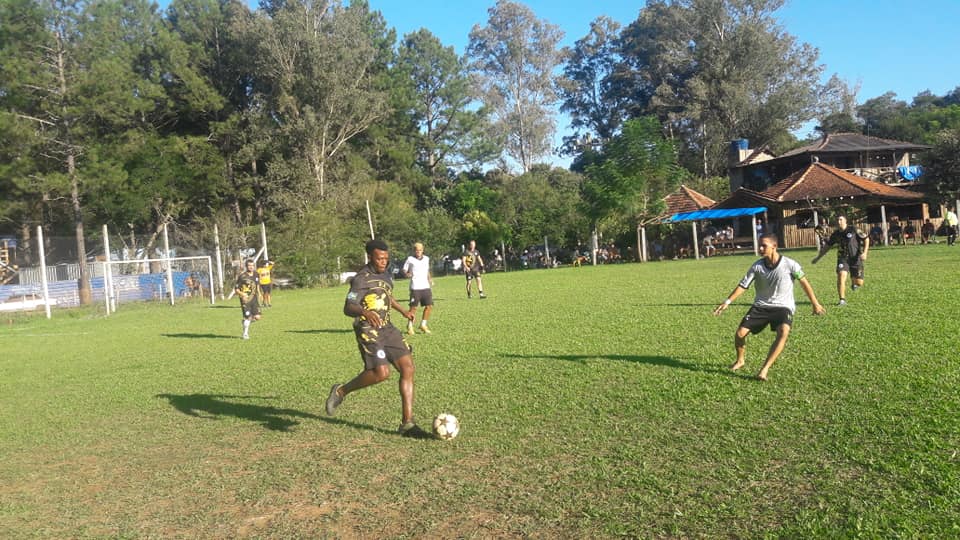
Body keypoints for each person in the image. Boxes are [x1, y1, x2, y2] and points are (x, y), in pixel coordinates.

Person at [326, 239, 427, 437]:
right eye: (380, 259)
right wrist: (365, 312)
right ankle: (341, 392)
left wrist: (403, 311)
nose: (383, 262)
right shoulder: (361, 279)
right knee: (382, 373)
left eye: (386, 259)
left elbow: (387, 296)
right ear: (370, 257)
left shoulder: (387, 276)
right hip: (367, 328)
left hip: (387, 328)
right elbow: (348, 307)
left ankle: (407, 423)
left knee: (408, 367)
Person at [714, 233, 825, 381]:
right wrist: (727, 302)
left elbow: (804, 282)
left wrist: (815, 303)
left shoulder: (791, 264)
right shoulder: (757, 266)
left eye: (764, 245)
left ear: (774, 247)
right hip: (761, 306)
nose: (760, 248)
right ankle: (740, 360)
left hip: (783, 307)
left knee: (784, 331)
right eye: (759, 245)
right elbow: (743, 285)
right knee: (740, 334)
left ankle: (764, 369)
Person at [812, 215, 869, 306]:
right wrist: (818, 258)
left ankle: (854, 282)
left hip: (855, 258)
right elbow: (827, 247)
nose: (839, 221)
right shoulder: (835, 234)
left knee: (859, 283)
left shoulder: (854, 229)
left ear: (846, 221)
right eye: (837, 220)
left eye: (841, 219)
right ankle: (842, 300)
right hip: (843, 258)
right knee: (841, 275)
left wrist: (865, 253)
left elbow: (866, 239)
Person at [402, 242, 434, 335]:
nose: (418, 252)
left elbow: (427, 270)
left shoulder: (426, 259)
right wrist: (407, 274)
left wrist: (430, 279)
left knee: (429, 306)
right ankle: (410, 326)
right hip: (415, 287)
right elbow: (404, 269)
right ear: (414, 251)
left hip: (425, 286)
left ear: (422, 250)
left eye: (420, 250)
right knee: (413, 308)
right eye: (417, 250)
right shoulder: (410, 259)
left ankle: (423, 324)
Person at [234, 259, 262, 340]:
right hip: (245, 300)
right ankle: (245, 333)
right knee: (248, 317)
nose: (251, 267)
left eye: (252, 265)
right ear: (246, 266)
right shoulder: (242, 276)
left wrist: (259, 293)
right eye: (249, 265)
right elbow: (236, 289)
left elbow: (257, 285)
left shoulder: (256, 274)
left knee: (257, 317)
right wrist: (242, 294)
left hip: (254, 299)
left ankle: (246, 321)